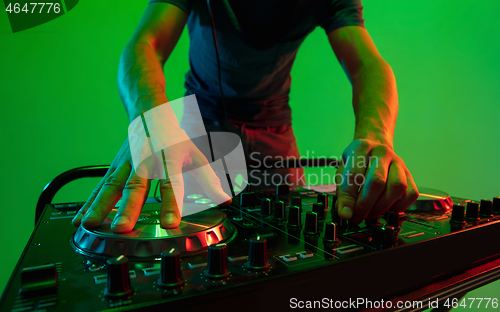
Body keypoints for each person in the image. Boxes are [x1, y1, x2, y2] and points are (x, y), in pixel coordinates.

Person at [72, 0, 419, 233]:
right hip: (196, 136)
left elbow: (367, 66)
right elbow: (145, 44)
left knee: (284, 252)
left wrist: (376, 138)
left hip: (276, 141)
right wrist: (153, 119)